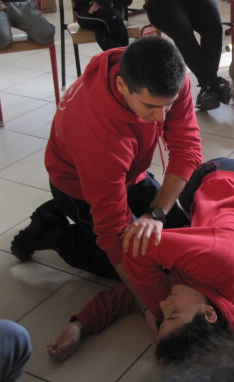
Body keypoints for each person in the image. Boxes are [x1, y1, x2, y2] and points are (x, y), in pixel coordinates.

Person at [46, 135, 234, 365]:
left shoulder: (201, 301)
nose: (164, 305)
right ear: (209, 314)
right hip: (232, 177)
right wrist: (153, 309)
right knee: (190, 193)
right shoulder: (215, 261)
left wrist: (81, 324)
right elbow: (137, 250)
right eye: (172, 314)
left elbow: (129, 295)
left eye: (163, 315)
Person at [11, 37, 201, 297]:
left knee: (184, 245)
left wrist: (155, 215)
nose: (161, 117)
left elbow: (187, 149)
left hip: (127, 173)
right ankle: (52, 231)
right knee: (144, 266)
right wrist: (146, 302)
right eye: (150, 107)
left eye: (169, 105)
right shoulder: (98, 138)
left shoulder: (168, 80)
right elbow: (112, 231)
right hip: (77, 187)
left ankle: (98, 216)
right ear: (121, 85)